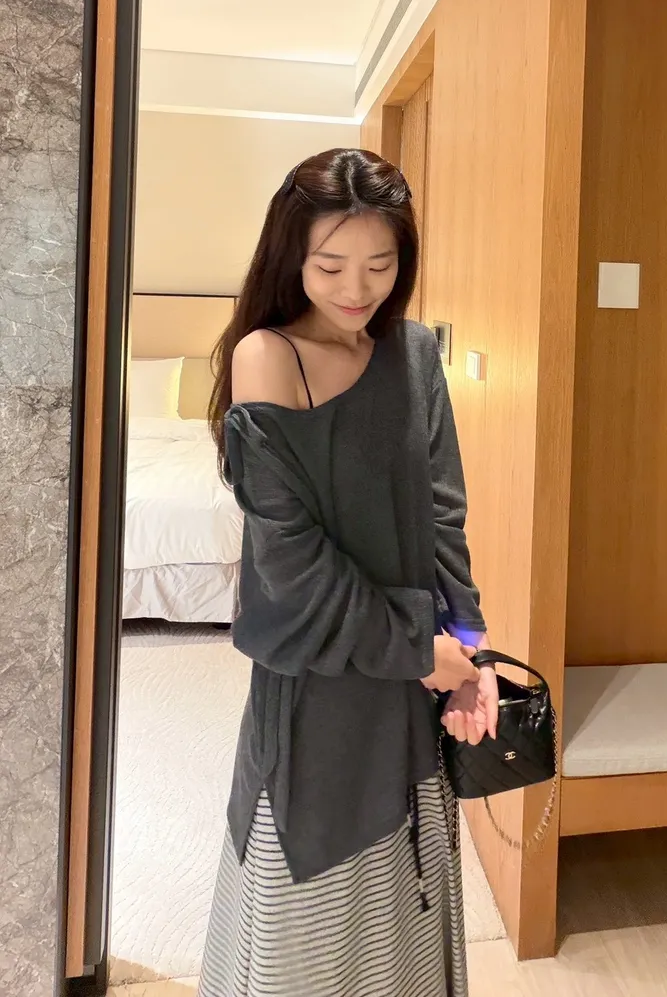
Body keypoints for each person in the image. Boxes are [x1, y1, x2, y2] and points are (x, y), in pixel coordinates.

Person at [199, 148, 498, 997]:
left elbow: (444, 517)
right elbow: (292, 567)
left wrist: (469, 654)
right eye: (331, 265)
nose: (356, 289)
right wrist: (420, 650)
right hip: (319, 692)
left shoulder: (414, 352)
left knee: (403, 923)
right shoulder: (268, 356)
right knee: (306, 937)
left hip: (413, 683)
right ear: (291, 255)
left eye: (381, 264)